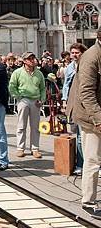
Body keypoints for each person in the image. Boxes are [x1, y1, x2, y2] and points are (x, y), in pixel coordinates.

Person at [67, 31, 101, 220]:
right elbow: (86, 93)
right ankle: (88, 201)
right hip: (90, 116)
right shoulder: (91, 57)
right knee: (93, 159)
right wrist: (99, 119)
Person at [9, 52, 46, 159]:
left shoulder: (39, 73)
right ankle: (20, 148)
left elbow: (43, 88)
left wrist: (42, 100)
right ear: (24, 61)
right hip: (23, 99)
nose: (33, 60)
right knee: (21, 125)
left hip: (35, 100)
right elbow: (12, 86)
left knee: (35, 126)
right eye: (30, 59)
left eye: (33, 58)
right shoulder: (17, 72)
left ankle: (35, 148)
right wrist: (18, 97)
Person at [62, 43, 88, 175]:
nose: (74, 55)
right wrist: (65, 101)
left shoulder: (88, 65)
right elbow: (66, 85)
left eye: (76, 52)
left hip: (88, 103)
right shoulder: (69, 68)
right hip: (75, 102)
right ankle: (80, 164)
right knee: (78, 136)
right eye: (72, 53)